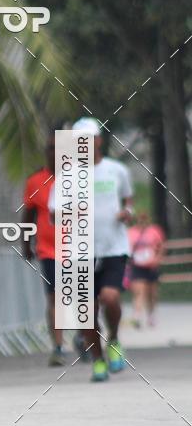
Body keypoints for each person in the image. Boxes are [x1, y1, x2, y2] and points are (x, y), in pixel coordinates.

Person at [51, 117, 134, 382]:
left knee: (110, 298)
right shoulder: (66, 176)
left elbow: (128, 199)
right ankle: (98, 360)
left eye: (90, 139)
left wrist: (126, 212)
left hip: (113, 247)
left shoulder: (116, 170)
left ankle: (115, 339)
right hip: (78, 251)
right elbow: (53, 214)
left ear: (99, 141)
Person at [23, 135, 67, 366]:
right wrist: (25, 244)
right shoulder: (35, 181)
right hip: (48, 249)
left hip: (78, 248)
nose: (54, 153)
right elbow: (28, 215)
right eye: (51, 148)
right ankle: (58, 346)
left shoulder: (77, 179)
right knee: (55, 298)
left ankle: (84, 337)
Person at [128, 212, 165, 327]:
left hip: (151, 266)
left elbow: (161, 246)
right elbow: (127, 248)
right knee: (139, 291)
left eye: (144, 221)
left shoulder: (155, 231)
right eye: (140, 221)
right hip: (137, 266)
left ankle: (151, 315)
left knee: (152, 293)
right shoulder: (131, 232)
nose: (142, 224)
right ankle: (137, 316)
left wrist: (157, 259)